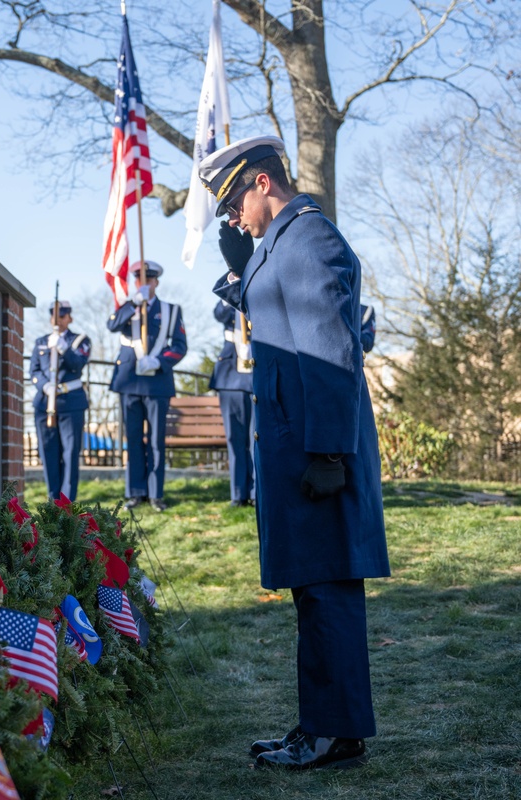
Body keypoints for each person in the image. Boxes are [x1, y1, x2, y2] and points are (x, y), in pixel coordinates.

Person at [199, 134, 389, 770]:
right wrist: (238, 274)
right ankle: (321, 724)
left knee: (326, 587)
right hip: (298, 447)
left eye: (233, 204)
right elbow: (278, 312)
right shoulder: (282, 243)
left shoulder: (308, 238)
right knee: (313, 586)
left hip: (316, 451)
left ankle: (333, 734)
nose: (233, 219)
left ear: (262, 182)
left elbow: (331, 352)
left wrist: (330, 454)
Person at [107, 261, 187, 512]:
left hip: (157, 382)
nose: (143, 284)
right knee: (132, 439)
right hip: (129, 380)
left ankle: (155, 493)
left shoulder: (171, 310)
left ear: (156, 282)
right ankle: (135, 492)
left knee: (155, 440)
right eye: (139, 280)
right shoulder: (127, 307)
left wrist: (160, 361)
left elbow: (180, 346)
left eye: (148, 280)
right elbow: (112, 325)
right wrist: (133, 304)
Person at [29, 299, 91, 501]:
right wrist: (44, 385)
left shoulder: (80, 340)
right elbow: (34, 371)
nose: (58, 319)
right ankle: (53, 498)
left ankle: (66, 501)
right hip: (45, 403)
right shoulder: (41, 341)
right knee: (48, 452)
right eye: (55, 315)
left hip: (71, 402)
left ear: (69, 318)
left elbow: (78, 364)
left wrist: (64, 348)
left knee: (70, 453)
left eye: (62, 315)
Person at [210, 299, 255, 507]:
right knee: (235, 439)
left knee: (257, 439)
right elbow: (220, 313)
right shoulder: (229, 297)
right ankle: (238, 493)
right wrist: (231, 287)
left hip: (256, 375)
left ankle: (256, 492)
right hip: (230, 378)